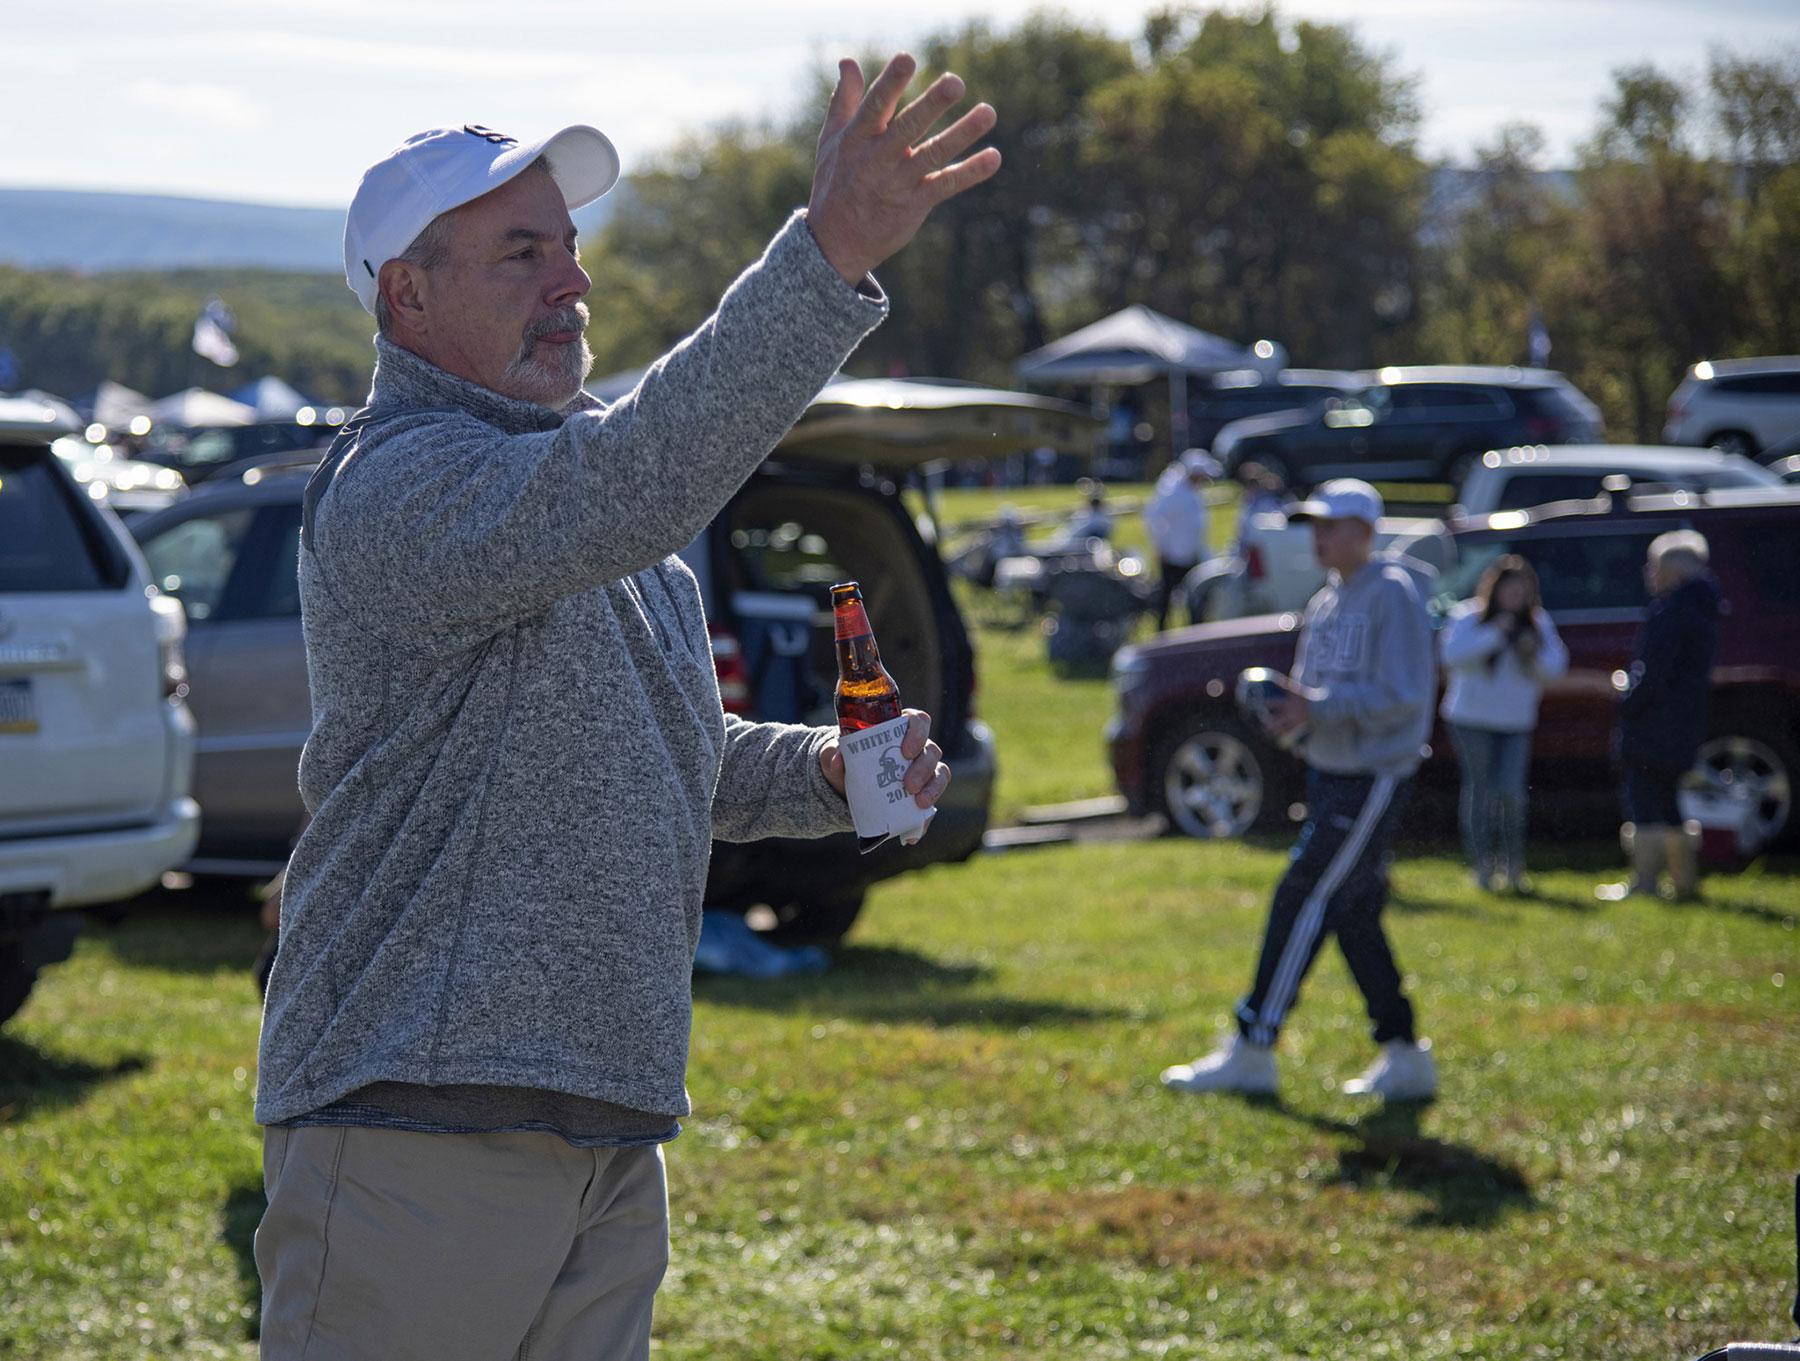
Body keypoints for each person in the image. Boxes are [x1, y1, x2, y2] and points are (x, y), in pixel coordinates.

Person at [253, 55, 994, 1360]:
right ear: (406, 295)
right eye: (522, 251)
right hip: (416, 1118)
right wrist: (824, 256)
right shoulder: (392, 484)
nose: (573, 282)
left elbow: (669, 754)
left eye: (573, 244)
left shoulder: (594, 509)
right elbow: (639, 475)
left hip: (607, 1116)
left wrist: (818, 773)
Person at [1161, 479, 1439, 1102]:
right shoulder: (1326, 600)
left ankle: (1254, 1045)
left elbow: (1406, 697)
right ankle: (1405, 1055)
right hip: (1332, 771)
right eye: (1313, 525)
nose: (1319, 536)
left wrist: (1317, 706)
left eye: (1332, 525)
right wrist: (1287, 715)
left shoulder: (1391, 593)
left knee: (1304, 893)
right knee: (1354, 913)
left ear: (1366, 531)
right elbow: (1313, 699)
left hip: (1372, 775)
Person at [1597, 530, 1718, 903]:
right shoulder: (1703, 609)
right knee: (1670, 803)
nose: (1647, 573)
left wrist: (1628, 697)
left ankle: (1645, 881)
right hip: (1685, 724)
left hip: (1654, 726)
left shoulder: (1671, 612)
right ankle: (1683, 882)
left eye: (1653, 566)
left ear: (1673, 573)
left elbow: (1654, 674)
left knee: (1645, 800)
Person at [1437, 556, 1568, 893]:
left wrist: (1530, 653)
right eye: (1509, 590)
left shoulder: (1537, 623)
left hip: (1515, 722)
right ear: (1494, 590)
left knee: (1511, 794)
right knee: (1481, 791)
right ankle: (1483, 866)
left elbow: (1554, 669)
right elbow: (1451, 657)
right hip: (1471, 719)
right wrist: (1495, 634)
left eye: (1521, 591)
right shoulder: (1468, 616)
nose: (1515, 598)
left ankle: (1514, 866)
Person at [1144, 449, 1220, 629]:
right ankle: (1161, 632)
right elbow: (1154, 516)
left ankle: (1194, 630)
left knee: (1194, 596)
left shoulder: (1190, 490)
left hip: (1191, 552)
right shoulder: (1174, 492)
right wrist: (1160, 547)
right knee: (1167, 598)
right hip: (1174, 554)